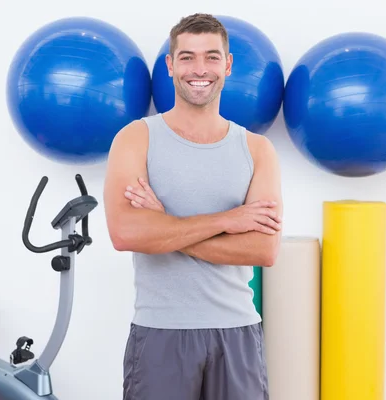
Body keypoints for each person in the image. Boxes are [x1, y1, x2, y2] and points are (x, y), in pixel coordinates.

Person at [103, 12, 283, 400]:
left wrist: (164, 225)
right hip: (160, 333)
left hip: (237, 334)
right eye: (187, 57)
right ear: (170, 65)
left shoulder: (256, 149)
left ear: (228, 65)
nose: (199, 69)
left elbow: (262, 250)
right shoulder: (136, 139)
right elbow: (126, 233)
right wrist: (229, 220)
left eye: (211, 57)